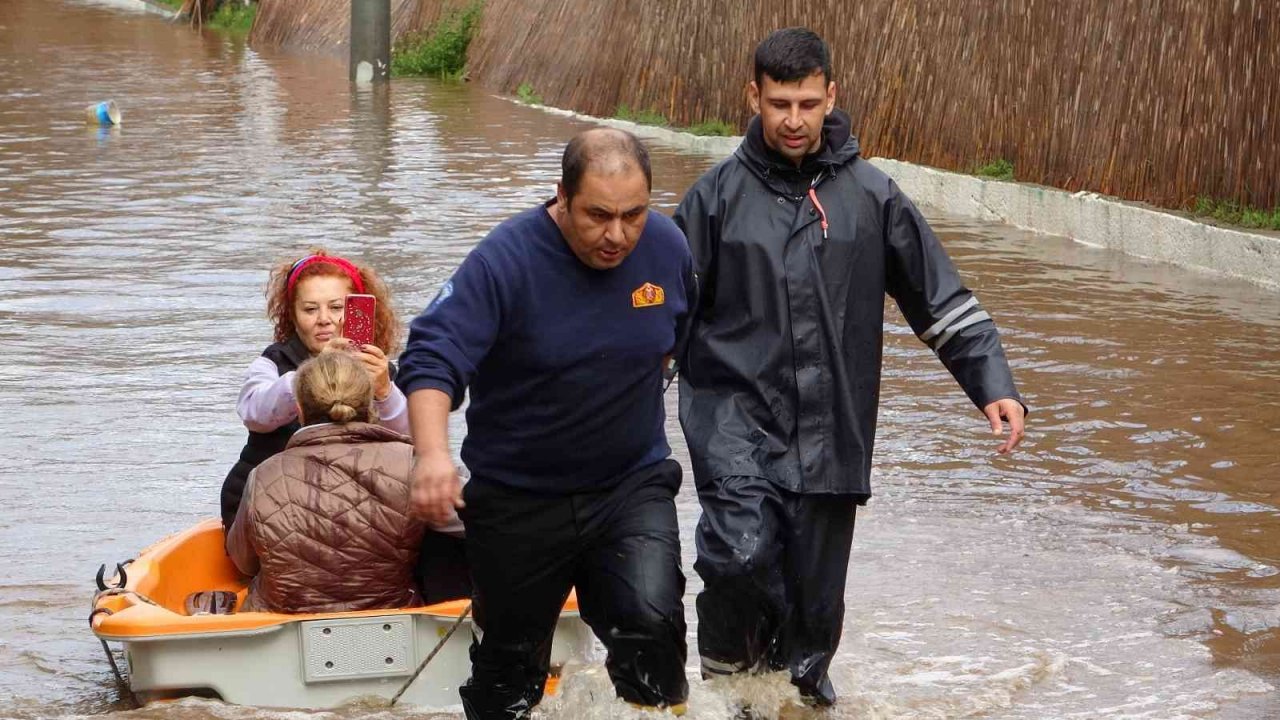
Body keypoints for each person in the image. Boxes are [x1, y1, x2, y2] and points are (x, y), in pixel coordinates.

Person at [673, 27, 1028, 707]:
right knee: (738, 556)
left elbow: (941, 299)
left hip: (833, 436)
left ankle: (799, 700)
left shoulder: (872, 197)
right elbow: (661, 322)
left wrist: (993, 386)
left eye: (808, 102)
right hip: (733, 425)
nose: (795, 119)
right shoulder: (712, 201)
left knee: (811, 629)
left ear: (832, 95)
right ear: (754, 97)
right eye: (779, 103)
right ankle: (723, 696)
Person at [397, 128, 694, 719]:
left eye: (633, 215)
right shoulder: (504, 261)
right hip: (519, 501)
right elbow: (432, 356)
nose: (616, 235)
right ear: (561, 196)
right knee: (509, 677)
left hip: (629, 486)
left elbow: (684, 344)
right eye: (598, 216)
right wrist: (431, 455)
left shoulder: (667, 249)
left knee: (653, 627)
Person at [225, 351, 463, 613]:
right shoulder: (411, 464)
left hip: (283, 625)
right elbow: (476, 516)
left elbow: (243, 561)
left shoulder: (262, 475)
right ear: (370, 405)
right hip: (391, 618)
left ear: (300, 410)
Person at [219, 248, 407, 532]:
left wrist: (384, 391)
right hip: (272, 505)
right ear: (291, 316)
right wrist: (315, 372)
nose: (324, 319)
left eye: (336, 307)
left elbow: (412, 441)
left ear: (360, 310)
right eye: (310, 309)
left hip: (355, 505)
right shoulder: (272, 363)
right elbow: (254, 413)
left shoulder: (385, 370)